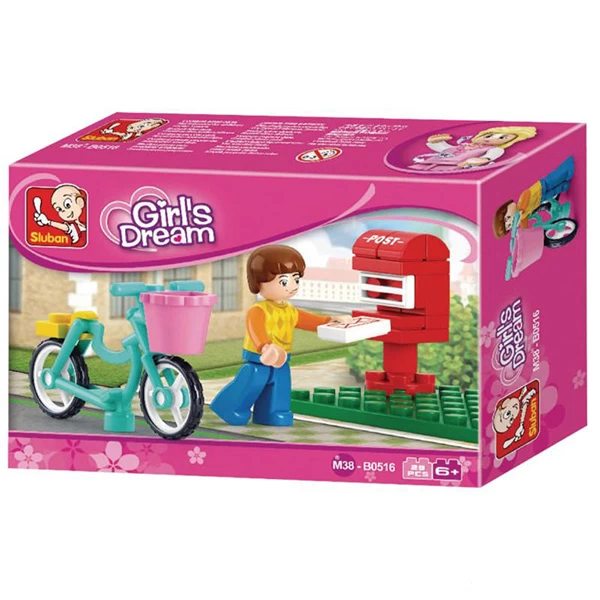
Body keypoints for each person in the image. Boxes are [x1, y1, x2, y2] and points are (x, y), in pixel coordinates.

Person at [210, 245, 351, 426]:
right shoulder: (259, 310)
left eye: (296, 279)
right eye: (284, 281)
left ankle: (273, 412)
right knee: (251, 381)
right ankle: (230, 406)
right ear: (258, 282)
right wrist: (265, 346)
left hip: (282, 359)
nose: (293, 286)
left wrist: (331, 320)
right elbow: (256, 330)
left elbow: (309, 320)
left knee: (280, 385)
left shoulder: (289, 310)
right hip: (260, 358)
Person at [410, 126, 537, 171]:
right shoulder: (464, 145)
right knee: (414, 170)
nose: (490, 139)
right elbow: (446, 149)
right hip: (431, 162)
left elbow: (488, 157)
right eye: (488, 136)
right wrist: (436, 142)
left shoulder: (495, 149)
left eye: (502, 138)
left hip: (451, 167)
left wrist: (479, 160)